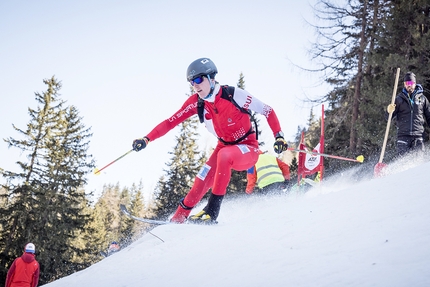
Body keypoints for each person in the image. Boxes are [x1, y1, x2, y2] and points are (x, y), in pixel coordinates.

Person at [132, 58, 288, 224]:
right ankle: (178, 219)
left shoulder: (234, 95)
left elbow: (267, 110)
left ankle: (212, 212)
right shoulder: (196, 103)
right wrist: (147, 138)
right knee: (200, 181)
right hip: (223, 147)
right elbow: (171, 121)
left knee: (225, 155)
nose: (195, 85)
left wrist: (279, 136)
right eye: (192, 82)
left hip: (247, 148)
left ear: (211, 78)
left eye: (199, 79)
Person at [386, 71, 430, 156]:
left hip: (418, 136)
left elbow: (429, 116)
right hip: (403, 136)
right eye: (406, 83)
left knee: (419, 161)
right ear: (404, 84)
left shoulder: (423, 99)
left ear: (414, 83)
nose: (408, 85)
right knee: (402, 162)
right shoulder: (398, 99)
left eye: (410, 82)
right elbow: (387, 118)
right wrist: (389, 111)